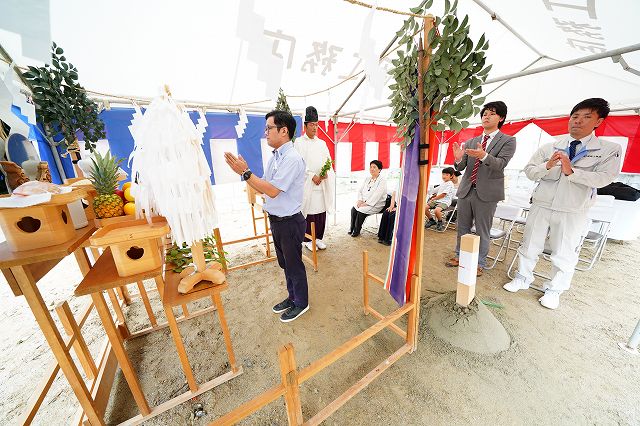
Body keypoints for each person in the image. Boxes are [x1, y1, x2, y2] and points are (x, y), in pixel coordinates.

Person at [503, 98, 621, 309]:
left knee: (564, 251)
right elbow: (530, 171)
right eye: (575, 116)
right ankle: (522, 278)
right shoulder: (550, 146)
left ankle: (554, 290)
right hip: (542, 204)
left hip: (573, 209)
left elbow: (605, 178)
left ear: (598, 121)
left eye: (586, 117)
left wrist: (571, 171)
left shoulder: (608, 149)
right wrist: (547, 166)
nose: (578, 121)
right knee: (530, 244)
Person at [224, 110, 309, 323]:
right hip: (278, 220)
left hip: (289, 222)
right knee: (285, 263)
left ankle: (301, 302)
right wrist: (246, 174)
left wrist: (245, 173)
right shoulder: (276, 156)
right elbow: (265, 184)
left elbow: (272, 191)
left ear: (284, 131)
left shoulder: (292, 158)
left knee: (294, 264)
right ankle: (292, 297)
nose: (266, 133)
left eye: (269, 128)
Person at [446, 101, 516, 277]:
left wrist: (484, 155)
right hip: (466, 190)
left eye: (492, 113)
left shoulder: (508, 141)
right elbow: (461, 167)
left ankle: (479, 263)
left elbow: (501, 164)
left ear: (501, 118)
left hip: (487, 193)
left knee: (482, 230)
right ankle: (460, 256)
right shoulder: (472, 140)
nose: (486, 116)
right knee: (462, 227)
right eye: (484, 113)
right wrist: (457, 159)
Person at [294, 106, 335, 251]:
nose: (315, 127)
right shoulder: (299, 142)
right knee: (309, 212)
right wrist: (312, 176)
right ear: (305, 126)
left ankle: (318, 239)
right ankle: (307, 240)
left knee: (320, 212)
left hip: (321, 184)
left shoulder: (322, 143)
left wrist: (325, 173)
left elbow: (328, 160)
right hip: (308, 184)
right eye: (312, 124)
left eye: (316, 125)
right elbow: (298, 163)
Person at [349, 160, 387, 237]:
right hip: (364, 202)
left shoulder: (382, 180)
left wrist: (366, 203)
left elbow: (377, 195)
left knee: (361, 211)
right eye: (371, 167)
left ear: (379, 170)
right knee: (353, 209)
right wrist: (360, 200)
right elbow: (360, 191)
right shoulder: (367, 179)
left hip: (376, 204)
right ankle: (352, 228)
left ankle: (356, 230)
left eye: (374, 167)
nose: (372, 169)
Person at [425, 167, 456, 231]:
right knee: (424, 208)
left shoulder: (450, 184)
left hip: (445, 202)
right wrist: (433, 197)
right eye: (443, 174)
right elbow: (439, 192)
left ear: (451, 176)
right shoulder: (443, 183)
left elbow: (443, 194)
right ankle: (431, 220)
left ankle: (440, 222)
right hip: (437, 200)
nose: (444, 176)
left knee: (437, 210)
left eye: (447, 175)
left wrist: (434, 198)